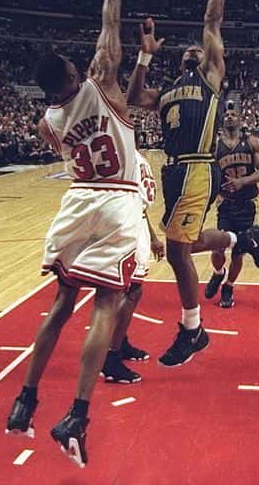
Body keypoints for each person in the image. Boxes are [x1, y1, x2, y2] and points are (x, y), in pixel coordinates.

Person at [5, 0, 143, 468]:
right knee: (106, 304)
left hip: (75, 202)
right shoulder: (101, 84)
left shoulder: (51, 121)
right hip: (115, 201)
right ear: (73, 75)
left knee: (62, 303)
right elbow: (110, 25)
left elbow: (56, 127)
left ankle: (26, 399)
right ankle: (78, 414)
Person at [126, 0, 259, 366]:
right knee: (185, 244)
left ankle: (193, 330)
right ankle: (244, 238)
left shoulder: (210, 79)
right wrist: (144, 56)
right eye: (187, 49)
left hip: (198, 167)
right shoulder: (166, 93)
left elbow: (211, 22)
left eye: (198, 48)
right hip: (174, 171)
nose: (193, 49)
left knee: (176, 251)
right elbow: (132, 98)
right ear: (179, 60)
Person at [99, 149, 164, 384]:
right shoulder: (122, 156)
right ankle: (110, 357)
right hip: (125, 227)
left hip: (137, 224)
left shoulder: (136, 156)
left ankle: (120, 341)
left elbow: (141, 205)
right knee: (129, 291)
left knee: (131, 290)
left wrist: (153, 237)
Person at [206, 107, 259, 308]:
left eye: (234, 114)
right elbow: (210, 172)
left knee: (238, 252)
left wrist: (243, 181)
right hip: (226, 204)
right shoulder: (215, 145)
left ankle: (228, 287)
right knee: (217, 249)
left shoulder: (251, 142)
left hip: (247, 204)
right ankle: (218, 273)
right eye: (227, 114)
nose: (230, 116)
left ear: (240, 119)